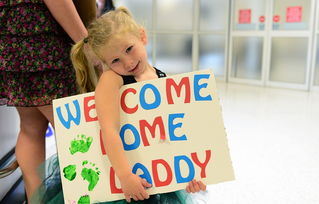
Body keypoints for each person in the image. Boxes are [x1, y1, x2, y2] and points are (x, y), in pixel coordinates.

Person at [70, 7, 207, 203]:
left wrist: (187, 173)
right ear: (105, 62)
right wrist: (125, 176)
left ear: (142, 36)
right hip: (126, 179)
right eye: (115, 60)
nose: (127, 62)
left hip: (157, 178)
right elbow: (108, 131)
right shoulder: (112, 79)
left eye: (129, 49)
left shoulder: (162, 77)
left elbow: (172, 130)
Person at [0, 0, 90, 202]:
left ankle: (36, 200)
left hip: (11, 36)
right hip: (41, 38)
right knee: (73, 130)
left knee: (31, 129)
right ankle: (82, 197)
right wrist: (86, 45)